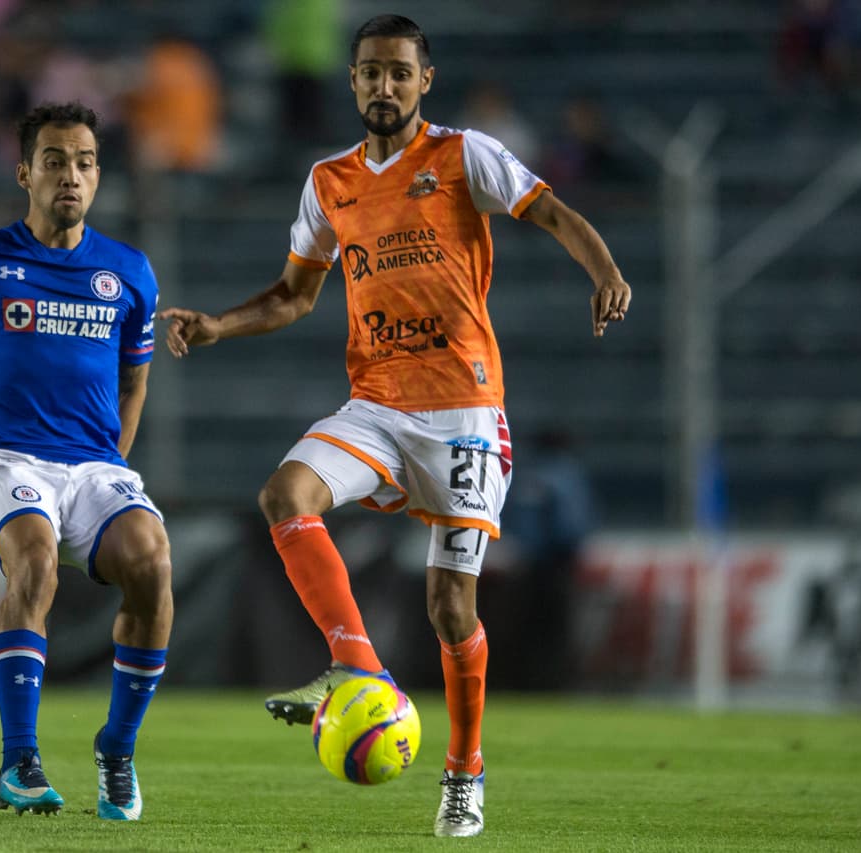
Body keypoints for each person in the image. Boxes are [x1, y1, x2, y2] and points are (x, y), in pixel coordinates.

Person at [160, 15, 631, 838]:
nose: (385, 85)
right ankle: (357, 664)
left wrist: (607, 271)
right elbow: (294, 295)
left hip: (464, 411)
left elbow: (552, 212)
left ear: (425, 81)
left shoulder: (464, 156)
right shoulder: (328, 181)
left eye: (399, 73)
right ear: (352, 81)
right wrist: (218, 326)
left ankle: (464, 772)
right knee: (285, 495)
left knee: (450, 609)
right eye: (371, 72)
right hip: (377, 404)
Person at [0, 102, 172, 822]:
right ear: (25, 173)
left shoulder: (129, 272)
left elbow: (135, 379)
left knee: (152, 561)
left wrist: (114, 465)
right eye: (54, 161)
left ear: (99, 175)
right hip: (8, 461)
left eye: (84, 162)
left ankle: (117, 749)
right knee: (34, 560)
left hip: (93, 467)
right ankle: (18, 761)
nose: (70, 176)